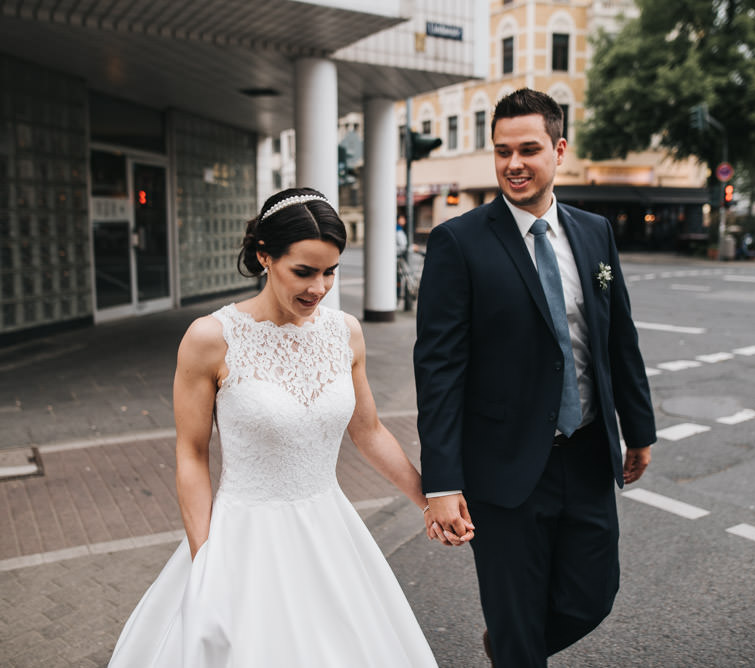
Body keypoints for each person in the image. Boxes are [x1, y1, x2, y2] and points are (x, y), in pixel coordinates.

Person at [109, 188, 437, 667]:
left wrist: (430, 500)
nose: (318, 288)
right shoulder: (209, 338)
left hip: (330, 532)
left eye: (329, 271)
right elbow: (191, 456)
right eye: (303, 272)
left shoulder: (345, 331)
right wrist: (205, 563)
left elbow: (368, 432)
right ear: (264, 256)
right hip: (245, 539)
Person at [414, 89, 656, 667]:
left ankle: (511, 649)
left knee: (593, 595)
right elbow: (439, 370)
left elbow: (619, 337)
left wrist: (639, 430)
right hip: (504, 468)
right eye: (502, 152)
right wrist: (441, 484)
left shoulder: (594, 232)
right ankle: (516, 649)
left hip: (588, 455)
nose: (513, 164)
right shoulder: (459, 242)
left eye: (528, 149)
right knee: (517, 617)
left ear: (560, 149)